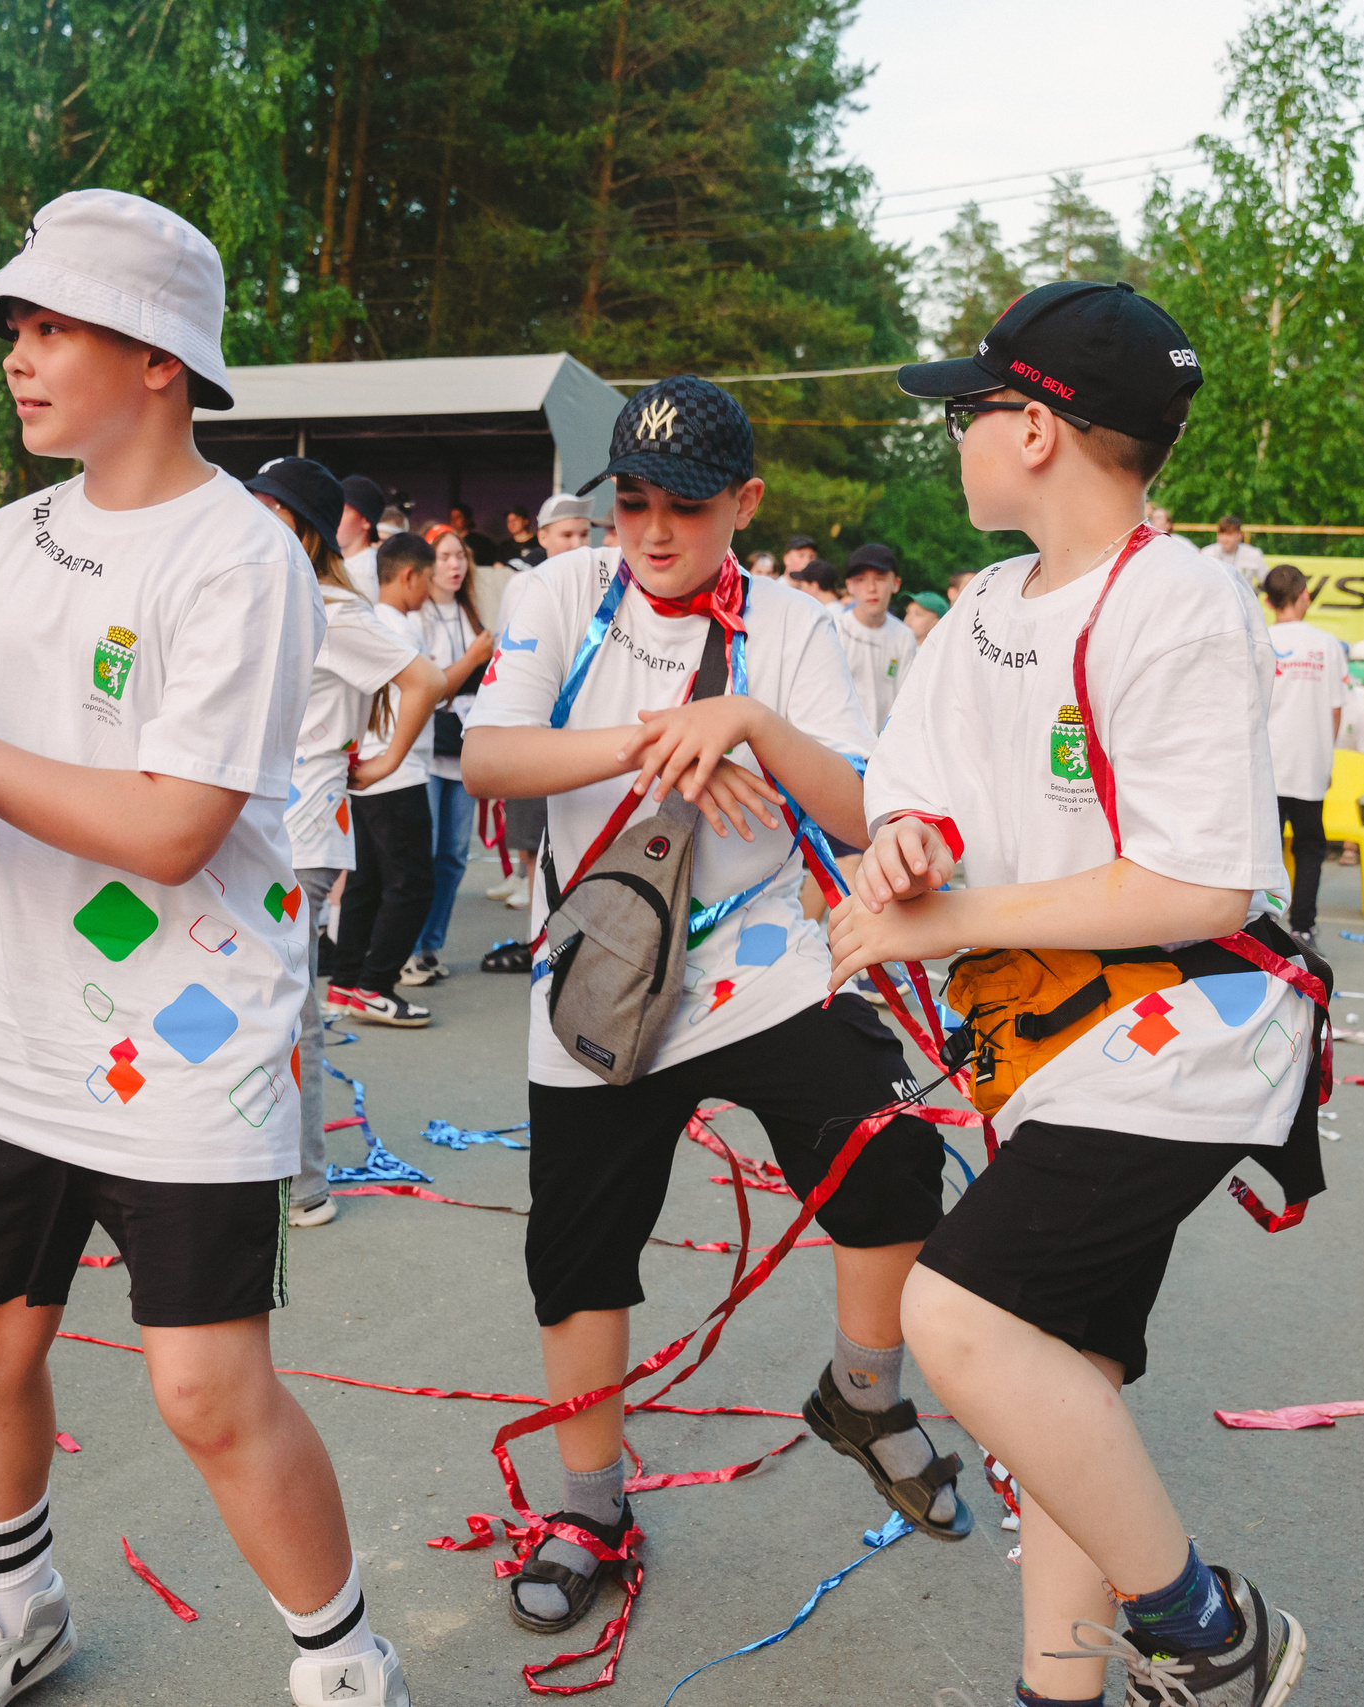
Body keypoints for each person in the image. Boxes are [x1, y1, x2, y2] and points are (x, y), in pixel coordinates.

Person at [0, 188, 413, 1707]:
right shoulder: (4, 543)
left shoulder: (239, 555)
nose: (18, 355)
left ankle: (344, 1661)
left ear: (159, 356)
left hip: (190, 1039)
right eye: (15, 326)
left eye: (52, 324)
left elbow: (169, 829)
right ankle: (13, 1606)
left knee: (209, 1389)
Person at [846, 281, 1312, 1707]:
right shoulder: (982, 601)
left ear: (1037, 429)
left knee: (957, 1316)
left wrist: (941, 919)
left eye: (973, 410)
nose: (959, 436)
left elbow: (1200, 885)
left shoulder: (1176, 597)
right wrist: (904, 836)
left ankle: (1208, 1623)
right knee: (1055, 1387)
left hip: (1178, 1035)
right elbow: (907, 779)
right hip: (1045, 1045)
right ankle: (1065, 1689)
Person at [464, 375, 970, 1640]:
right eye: (629, 504)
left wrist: (742, 720)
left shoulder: (800, 628)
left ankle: (863, 1390)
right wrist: (659, 739)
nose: (649, 534)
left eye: (682, 510)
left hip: (761, 965)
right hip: (600, 976)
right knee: (578, 1252)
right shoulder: (557, 592)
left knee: (894, 1154)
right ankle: (590, 1507)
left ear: (742, 503)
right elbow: (490, 755)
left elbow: (858, 807)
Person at [256, 456, 437, 1224]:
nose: (249, 520)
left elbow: (422, 679)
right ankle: (255, 1175)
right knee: (254, 1007)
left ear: (303, 527)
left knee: (285, 1011)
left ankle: (303, 1186)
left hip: (304, 834)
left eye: (267, 509)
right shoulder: (261, 596)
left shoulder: (333, 606)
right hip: (254, 826)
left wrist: (387, 757)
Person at [324, 531, 453, 1026]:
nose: (431, 589)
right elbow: (435, 689)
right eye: (428, 578)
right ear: (409, 576)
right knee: (413, 884)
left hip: (371, 767)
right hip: (395, 772)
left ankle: (344, 983)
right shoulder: (399, 628)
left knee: (367, 883)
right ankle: (375, 986)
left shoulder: (369, 622)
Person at [482, 495, 595, 923]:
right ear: (542, 537)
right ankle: (540, 937)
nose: (577, 543)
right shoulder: (527, 585)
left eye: (584, 534)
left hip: (588, 731)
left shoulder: (603, 582)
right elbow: (507, 659)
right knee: (537, 836)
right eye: (566, 534)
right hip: (540, 729)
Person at [406, 526, 496, 988]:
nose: (455, 565)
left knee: (455, 856)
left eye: (460, 555)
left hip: (464, 751)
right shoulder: (414, 618)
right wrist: (473, 659)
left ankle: (429, 946)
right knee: (424, 852)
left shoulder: (471, 614)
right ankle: (407, 948)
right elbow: (428, 688)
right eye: (444, 557)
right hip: (424, 751)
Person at [1260, 563, 1346, 946]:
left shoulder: (1257, 639)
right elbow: (1336, 708)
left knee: (1265, 847)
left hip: (1265, 765)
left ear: (1267, 601)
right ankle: (1303, 927)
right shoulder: (1326, 644)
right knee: (1310, 847)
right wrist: (1325, 757)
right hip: (1310, 762)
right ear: (1305, 594)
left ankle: (1258, 927)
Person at [836, 542, 923, 729]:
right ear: (849, 586)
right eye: (861, 579)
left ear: (896, 583)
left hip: (887, 746)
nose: (871, 588)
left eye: (880, 578)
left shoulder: (904, 636)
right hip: (842, 748)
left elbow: (907, 700)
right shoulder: (835, 630)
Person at [339, 473, 385, 602]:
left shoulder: (369, 570)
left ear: (366, 521)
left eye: (345, 510)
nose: (335, 516)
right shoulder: (335, 561)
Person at [1199, 514, 1268, 591]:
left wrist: (1254, 594)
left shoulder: (1253, 554)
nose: (1224, 539)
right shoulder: (1207, 553)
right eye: (1221, 534)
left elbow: (1266, 581)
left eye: (1229, 534)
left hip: (1242, 601)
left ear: (1239, 536)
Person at [448, 500, 499, 572]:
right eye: (452, 518)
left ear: (468, 520)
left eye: (458, 517)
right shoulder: (448, 542)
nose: (454, 521)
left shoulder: (482, 542)